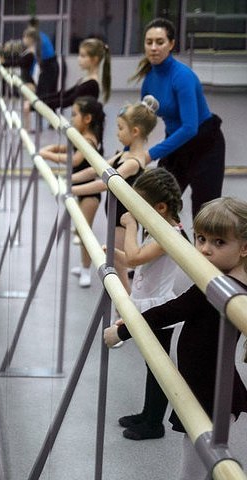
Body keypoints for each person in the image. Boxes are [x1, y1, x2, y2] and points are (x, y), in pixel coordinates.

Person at [104, 197, 247, 479]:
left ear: (244, 248)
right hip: (208, 386)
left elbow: (171, 311)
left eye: (219, 243)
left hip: (210, 394)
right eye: (201, 239)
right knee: (203, 460)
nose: (205, 249)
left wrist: (122, 330)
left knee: (195, 465)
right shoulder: (225, 277)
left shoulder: (218, 287)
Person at [112, 167, 185, 440]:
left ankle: (154, 423)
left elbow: (135, 258)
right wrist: (113, 253)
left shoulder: (169, 234)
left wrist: (130, 226)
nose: (135, 212)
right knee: (151, 365)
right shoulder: (157, 228)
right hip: (148, 303)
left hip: (159, 309)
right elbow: (137, 261)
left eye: (139, 207)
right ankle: (147, 414)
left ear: (160, 207)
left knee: (158, 368)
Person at [131, 17, 225, 219]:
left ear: (171, 44)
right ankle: (171, 239)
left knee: (203, 215)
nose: (154, 48)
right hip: (177, 144)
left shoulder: (182, 76)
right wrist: (127, 151)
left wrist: (149, 155)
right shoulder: (149, 80)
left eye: (160, 42)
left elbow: (190, 127)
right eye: (149, 42)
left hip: (205, 145)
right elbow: (141, 123)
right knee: (156, 204)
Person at [71, 95, 159, 291]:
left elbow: (104, 184)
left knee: (118, 267)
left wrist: (72, 189)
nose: (117, 133)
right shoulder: (123, 154)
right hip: (114, 214)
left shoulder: (133, 162)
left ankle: (126, 303)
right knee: (114, 263)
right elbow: (95, 169)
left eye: (120, 128)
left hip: (122, 219)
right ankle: (122, 303)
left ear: (135, 131)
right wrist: (71, 178)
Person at [39, 96, 105, 287]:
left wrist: (47, 155)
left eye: (75, 114)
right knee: (80, 230)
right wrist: (53, 148)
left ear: (87, 119)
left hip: (90, 194)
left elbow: (75, 160)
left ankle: (87, 270)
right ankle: (83, 266)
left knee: (85, 233)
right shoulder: (81, 136)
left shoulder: (89, 140)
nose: (72, 118)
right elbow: (67, 148)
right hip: (81, 190)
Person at [40, 37, 111, 109]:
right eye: (79, 55)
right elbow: (64, 95)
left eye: (83, 56)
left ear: (95, 59)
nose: (79, 59)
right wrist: (39, 99)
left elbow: (67, 101)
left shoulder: (92, 84)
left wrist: (39, 104)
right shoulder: (85, 79)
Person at [1, 27, 38, 132]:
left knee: (27, 108)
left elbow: (19, 63)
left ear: (30, 38)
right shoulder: (27, 52)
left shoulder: (31, 53)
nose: (23, 39)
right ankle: (26, 128)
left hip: (29, 83)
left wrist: (3, 63)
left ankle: (27, 129)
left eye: (25, 37)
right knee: (25, 108)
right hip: (25, 81)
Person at [28, 17, 59, 98]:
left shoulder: (37, 37)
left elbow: (37, 56)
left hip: (49, 66)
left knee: (44, 93)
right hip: (53, 64)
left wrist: (31, 73)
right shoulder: (43, 35)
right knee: (49, 93)